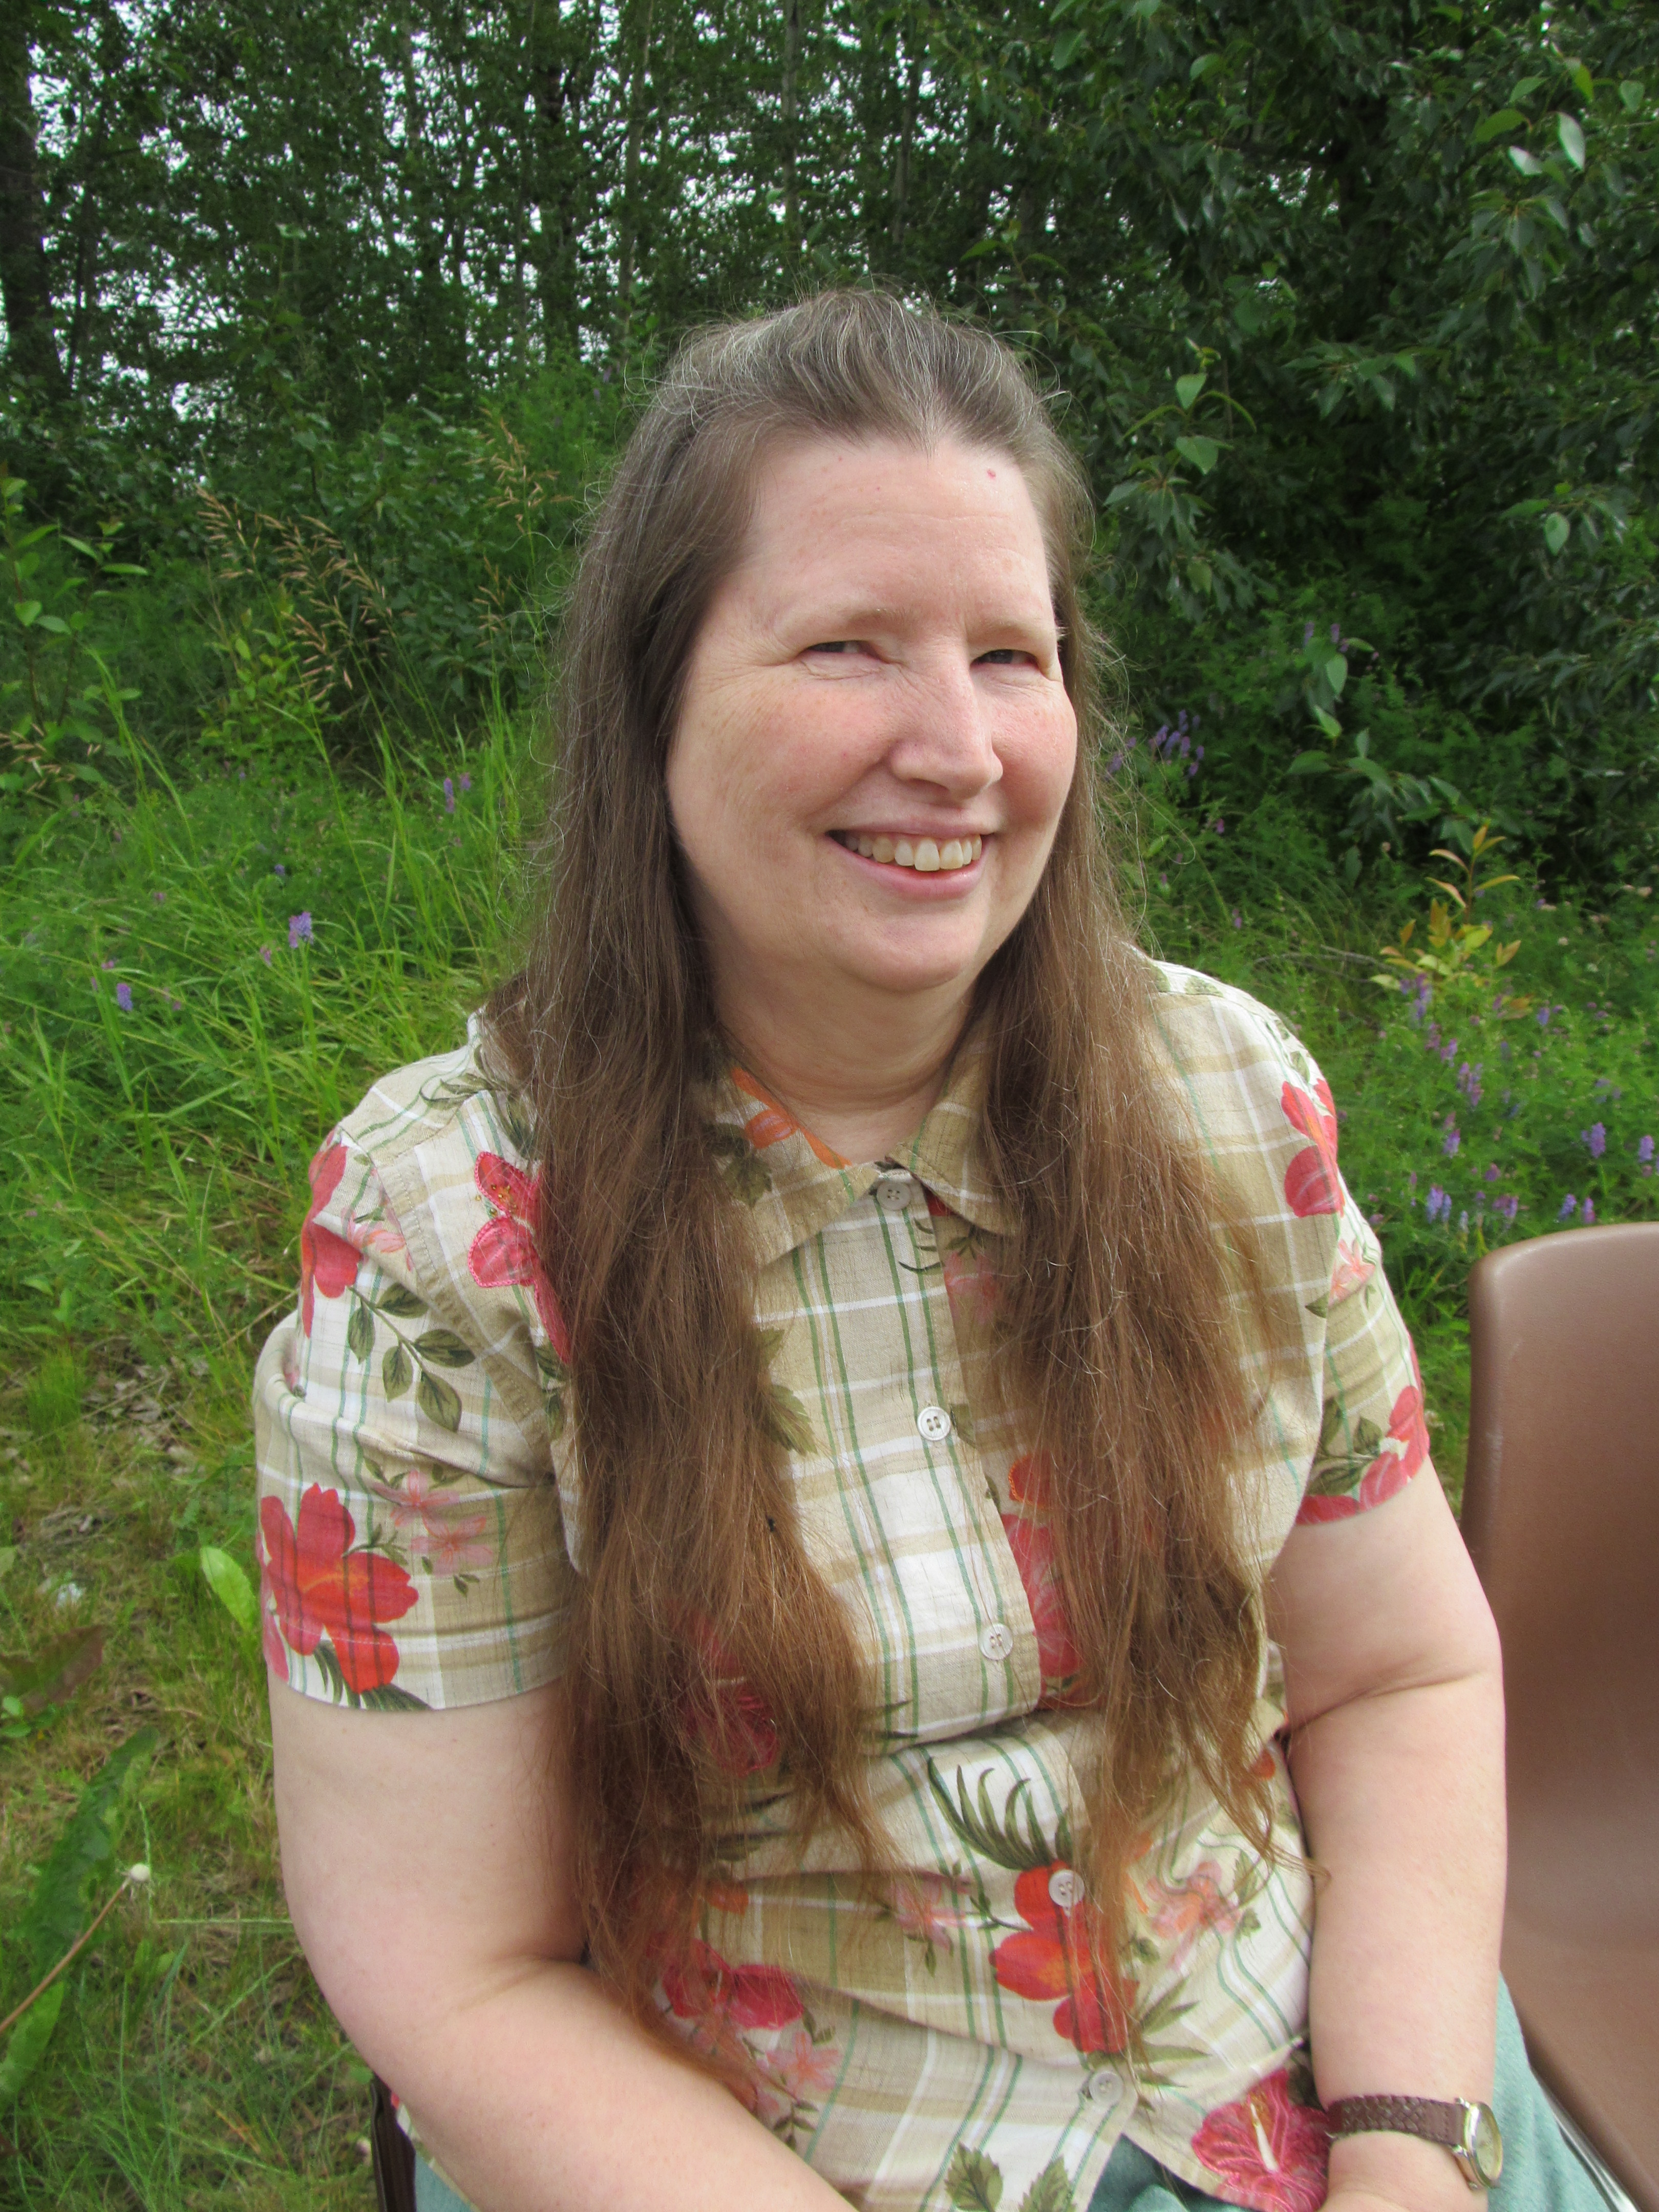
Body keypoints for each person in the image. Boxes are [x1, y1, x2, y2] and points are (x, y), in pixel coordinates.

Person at [256, 292, 1598, 2212]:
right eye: (848, 648)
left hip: (1319, 2063)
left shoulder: (1233, 1102)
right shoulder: (446, 1236)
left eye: (1010, 656)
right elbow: (453, 1974)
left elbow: (1395, 1679)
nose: (959, 748)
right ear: (653, 699)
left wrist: (1409, 2151)